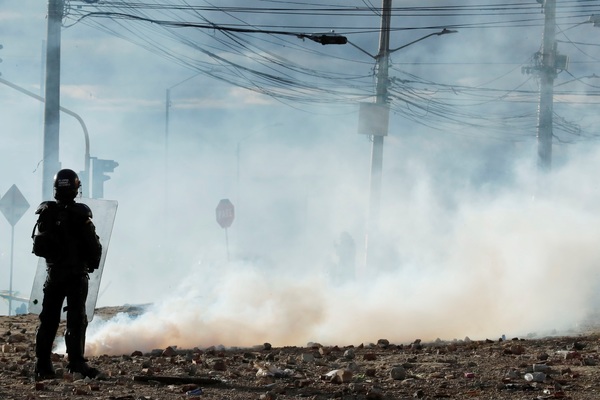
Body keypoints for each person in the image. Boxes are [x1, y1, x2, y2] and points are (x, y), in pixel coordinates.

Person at [33, 169, 103, 380]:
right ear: (75, 188)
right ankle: (76, 363)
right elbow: (94, 249)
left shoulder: (46, 213)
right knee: (76, 320)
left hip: (53, 275)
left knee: (48, 320)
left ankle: (42, 366)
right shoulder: (81, 215)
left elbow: (39, 247)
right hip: (75, 276)